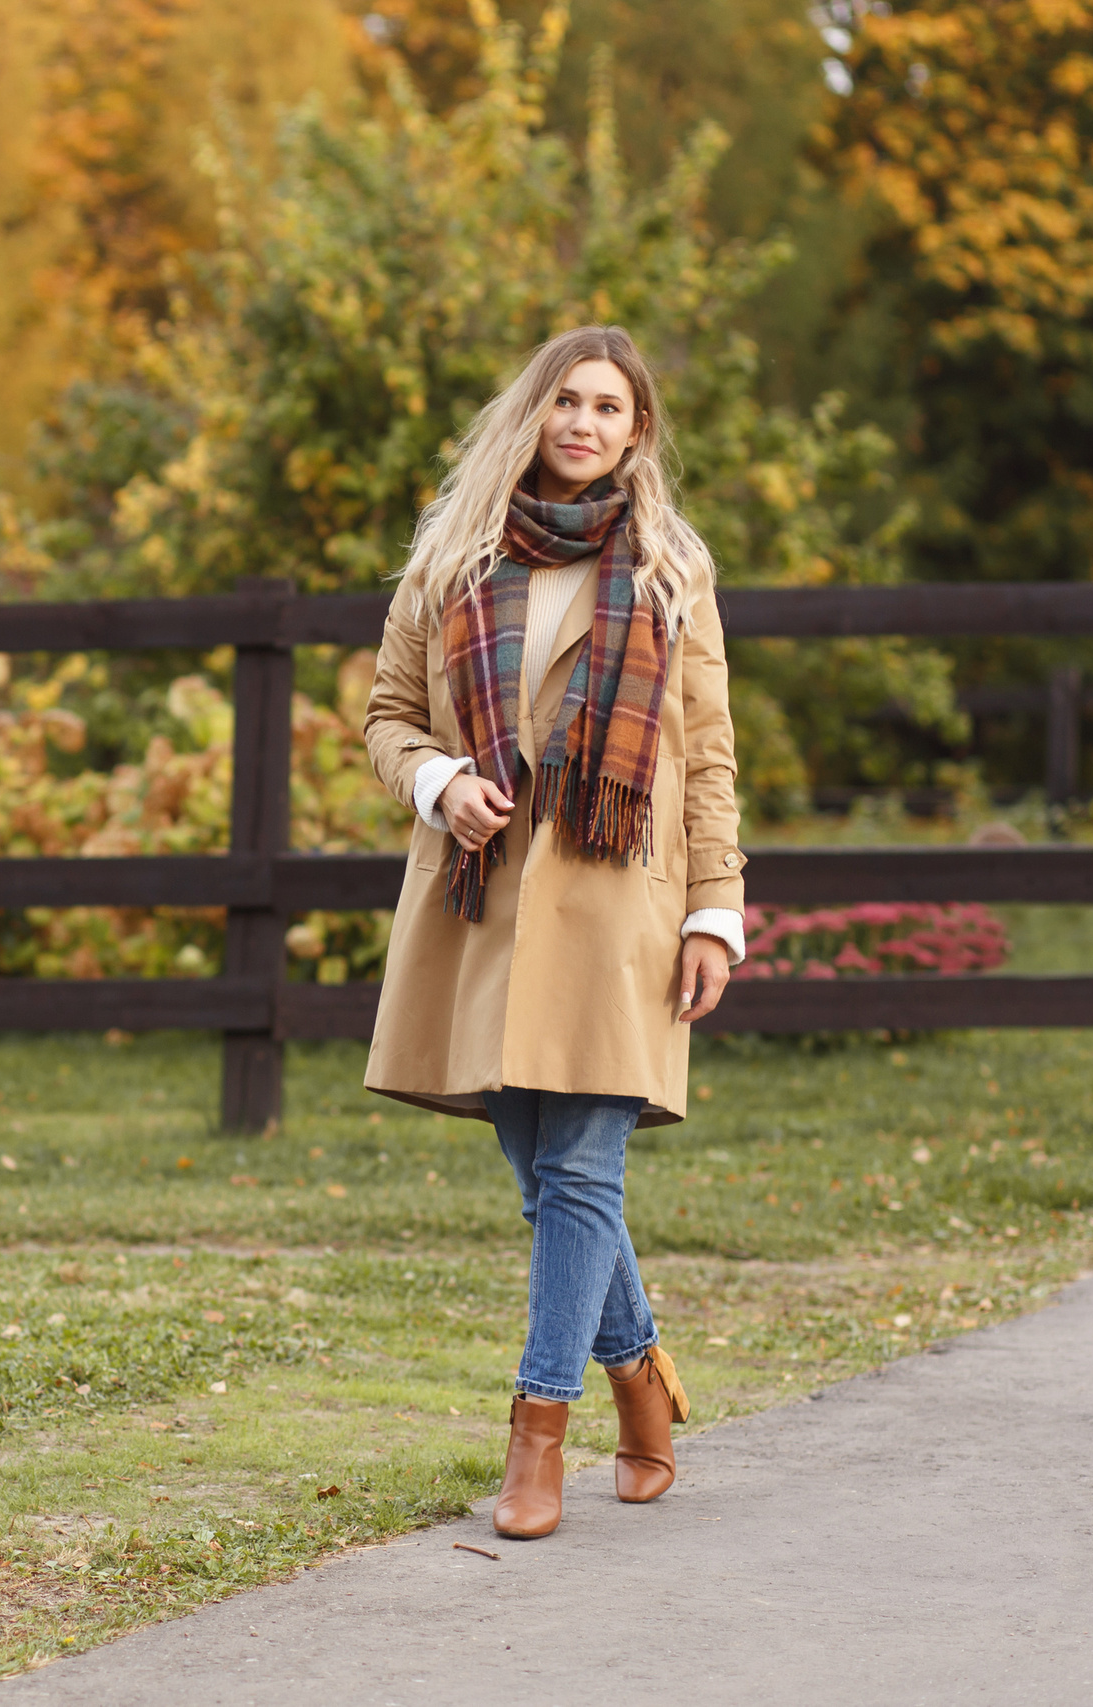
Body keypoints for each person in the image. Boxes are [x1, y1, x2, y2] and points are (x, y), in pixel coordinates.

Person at [360, 325, 746, 1540]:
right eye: (565, 401)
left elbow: (710, 758)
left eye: (608, 408)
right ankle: (643, 1383)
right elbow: (385, 716)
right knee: (545, 1181)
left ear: (635, 434)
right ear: (533, 414)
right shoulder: (450, 562)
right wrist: (434, 780)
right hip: (486, 907)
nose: (583, 423)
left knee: (582, 1168)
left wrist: (714, 913)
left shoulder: (673, 570)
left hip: (618, 909)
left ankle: (539, 1438)